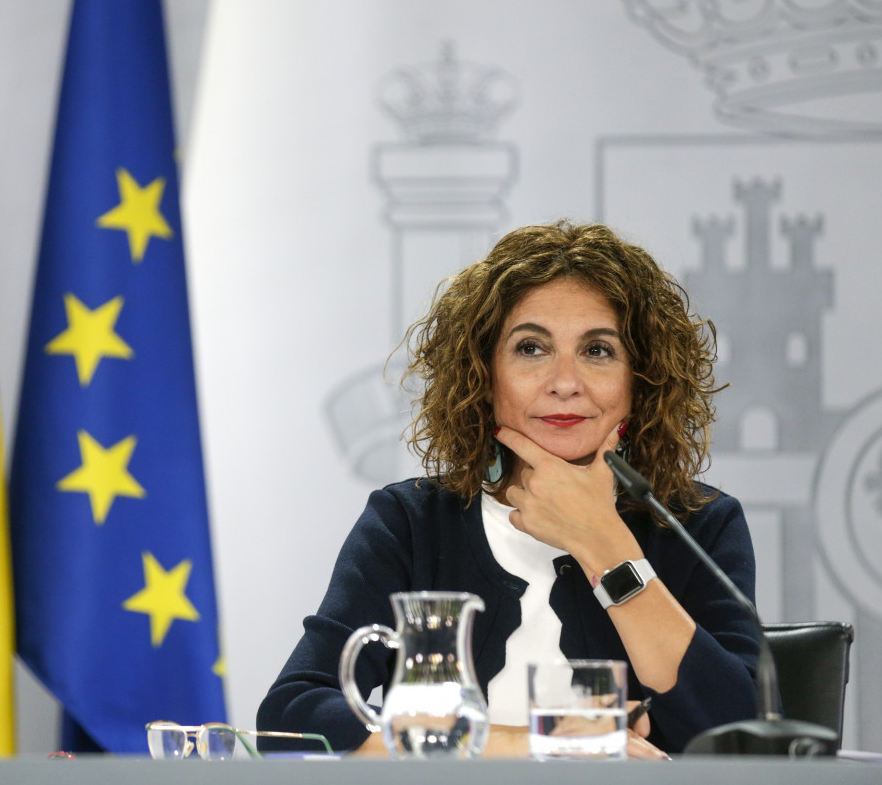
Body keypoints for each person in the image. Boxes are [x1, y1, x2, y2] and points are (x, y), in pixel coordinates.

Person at [256, 221, 761, 758]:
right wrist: (532, 747)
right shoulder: (411, 522)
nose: (565, 382)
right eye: (531, 348)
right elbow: (292, 717)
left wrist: (605, 543)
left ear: (640, 381)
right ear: (483, 375)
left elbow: (738, 739)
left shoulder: (696, 522)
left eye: (597, 351)